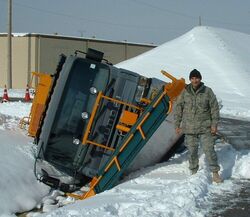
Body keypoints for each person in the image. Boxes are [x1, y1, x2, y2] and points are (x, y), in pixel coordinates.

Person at [174, 69, 222, 183]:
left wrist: (214, 124)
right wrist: (177, 124)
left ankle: (215, 173)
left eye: (197, 78)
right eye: (193, 78)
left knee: (209, 150)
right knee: (192, 151)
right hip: (189, 128)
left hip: (205, 127)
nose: (195, 80)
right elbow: (178, 108)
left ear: (200, 79)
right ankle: (194, 172)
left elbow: (215, 108)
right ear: (190, 79)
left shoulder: (207, 91)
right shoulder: (185, 92)